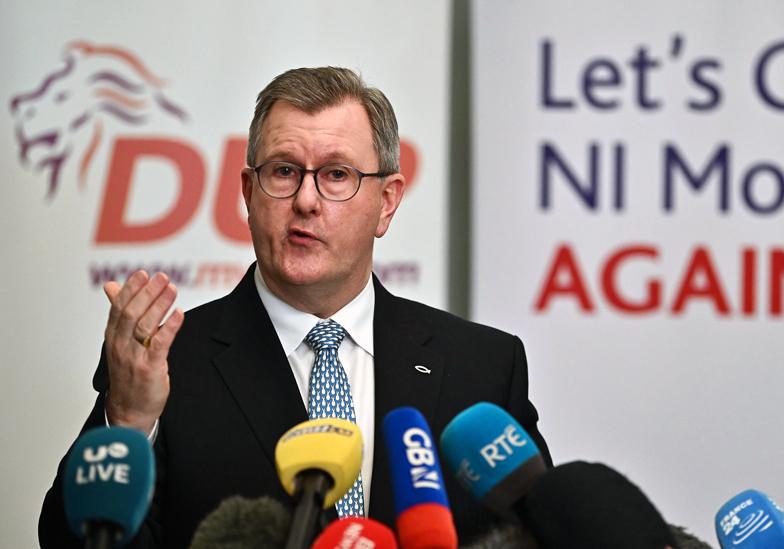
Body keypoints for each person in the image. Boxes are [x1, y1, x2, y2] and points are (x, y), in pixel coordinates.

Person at [38, 67, 550, 548]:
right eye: (284, 171)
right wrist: (128, 421)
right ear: (247, 192)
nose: (306, 200)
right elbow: (68, 541)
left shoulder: (482, 366)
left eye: (336, 174)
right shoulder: (168, 361)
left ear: (387, 201)